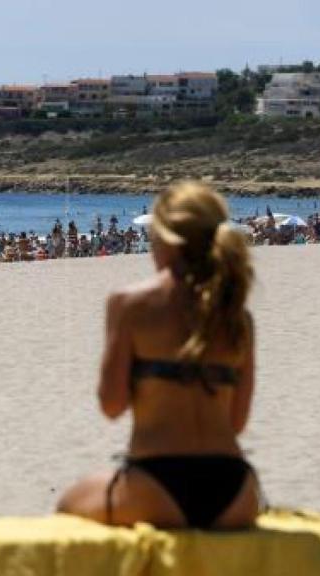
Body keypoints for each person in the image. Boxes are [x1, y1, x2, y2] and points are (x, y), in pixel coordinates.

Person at [57, 182, 259, 530]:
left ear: (166, 239)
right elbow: (236, 423)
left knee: (67, 506)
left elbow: (112, 405)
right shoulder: (238, 316)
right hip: (235, 487)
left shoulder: (130, 304)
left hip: (155, 483)